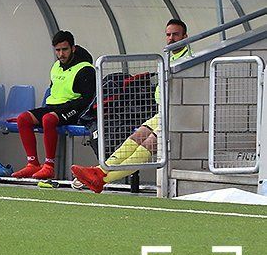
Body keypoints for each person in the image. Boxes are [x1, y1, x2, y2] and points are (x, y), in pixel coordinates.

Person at [71, 19, 191, 193]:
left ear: (185, 37)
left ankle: (102, 178)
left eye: (176, 35)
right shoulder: (168, 57)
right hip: (162, 112)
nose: (171, 38)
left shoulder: (187, 61)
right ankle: (98, 171)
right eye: (168, 35)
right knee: (136, 137)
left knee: (149, 143)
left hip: (177, 114)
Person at [10, 30, 95, 181]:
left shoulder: (85, 69)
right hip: (53, 106)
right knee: (23, 118)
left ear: (73, 48)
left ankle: (49, 166)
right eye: (58, 50)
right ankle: (33, 164)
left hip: (74, 108)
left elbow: (87, 99)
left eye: (65, 49)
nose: (61, 54)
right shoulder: (56, 66)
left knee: (49, 119)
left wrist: (70, 109)